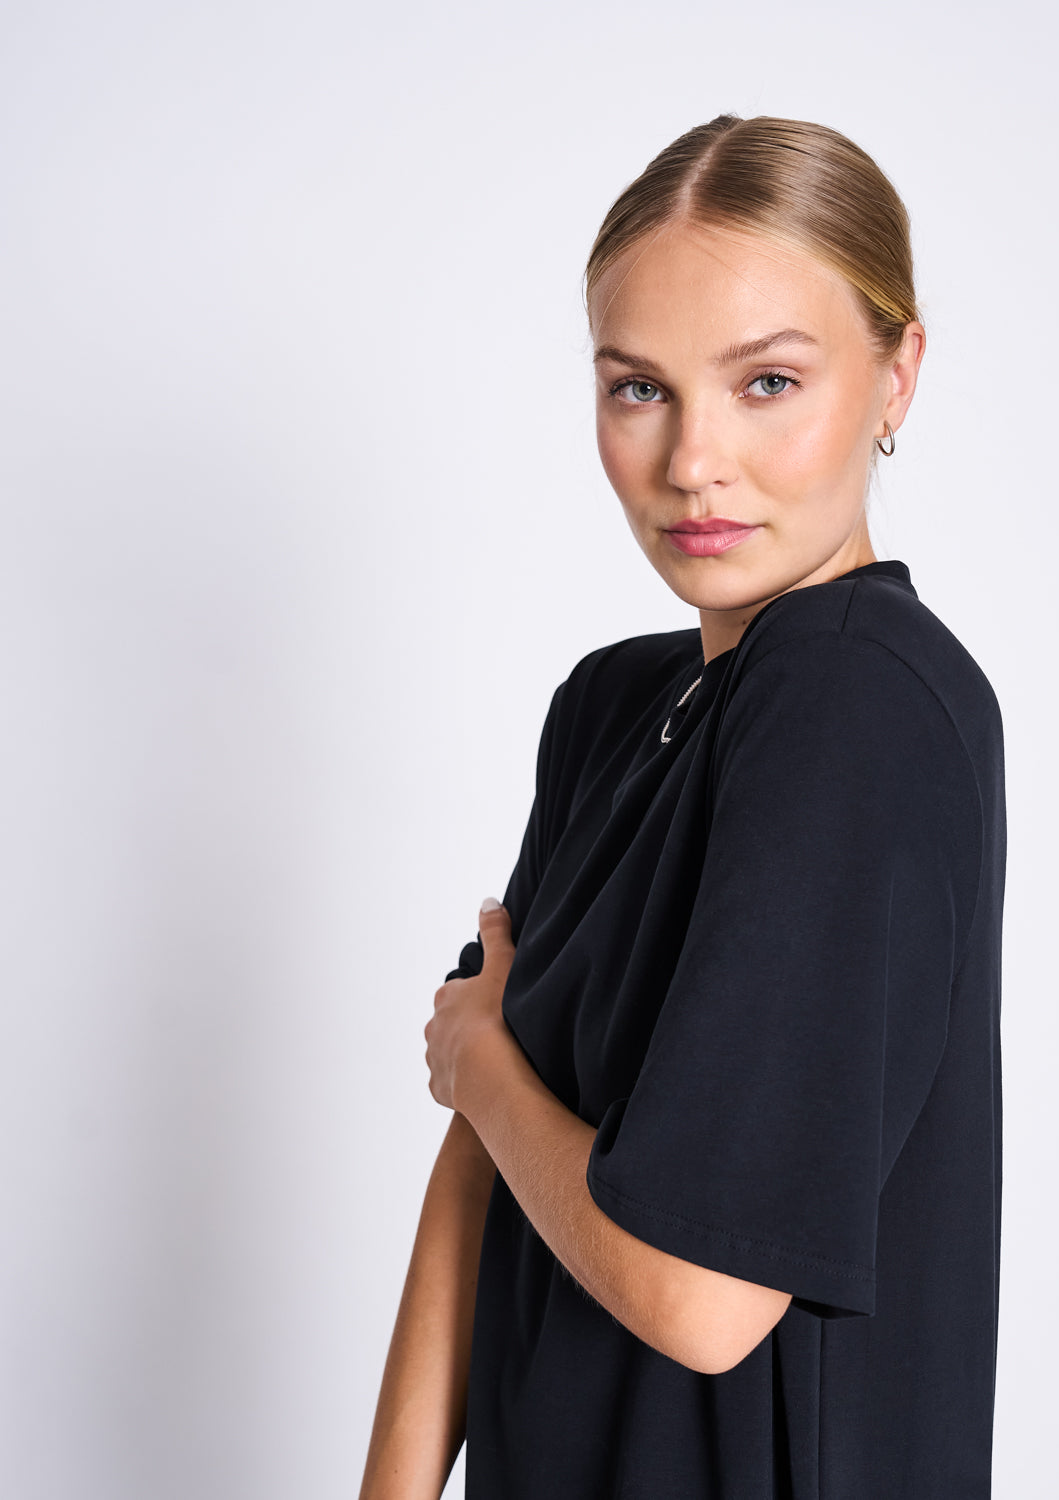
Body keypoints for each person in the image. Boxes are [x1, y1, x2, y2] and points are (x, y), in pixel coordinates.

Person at [358, 114, 1006, 1500]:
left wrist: (480, 1063)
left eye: (767, 381)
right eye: (639, 389)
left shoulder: (857, 699)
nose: (694, 461)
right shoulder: (611, 708)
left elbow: (706, 1298)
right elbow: (477, 1172)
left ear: (898, 377)